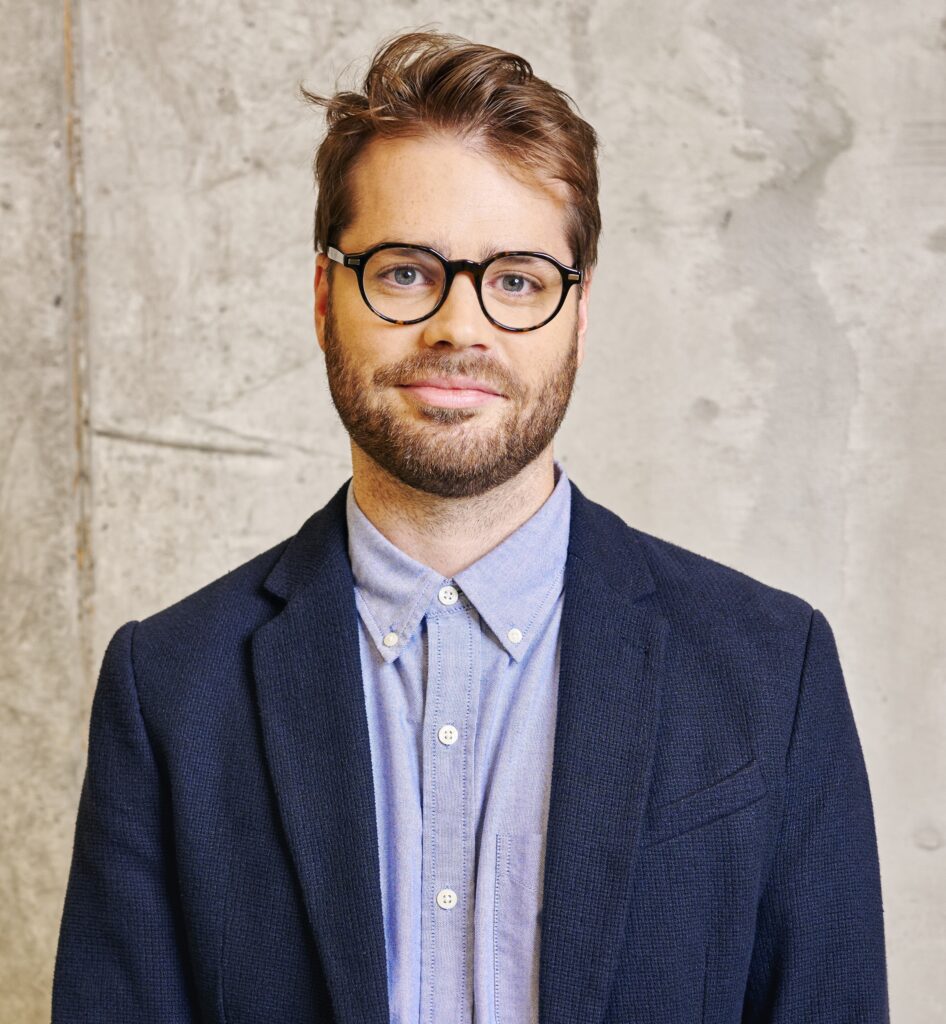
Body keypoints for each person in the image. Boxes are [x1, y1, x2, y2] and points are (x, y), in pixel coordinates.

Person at [52, 29, 889, 1024]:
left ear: (579, 317)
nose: (460, 326)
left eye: (517, 280)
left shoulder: (771, 670)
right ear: (324, 298)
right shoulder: (170, 689)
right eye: (406, 271)